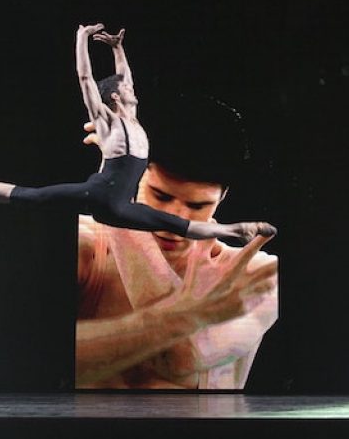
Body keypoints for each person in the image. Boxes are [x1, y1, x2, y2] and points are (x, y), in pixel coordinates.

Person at [0, 24, 276, 246]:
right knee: (30, 196)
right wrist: (82, 39)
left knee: (177, 225)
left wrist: (118, 49)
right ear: (116, 97)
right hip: (99, 195)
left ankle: (234, 231)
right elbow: (86, 80)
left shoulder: (133, 118)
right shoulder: (106, 119)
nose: (134, 89)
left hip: (119, 206)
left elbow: (126, 79)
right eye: (127, 88)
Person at [76, 100, 279, 389]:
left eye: (197, 205)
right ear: (135, 177)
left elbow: (180, 358)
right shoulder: (85, 246)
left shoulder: (258, 275)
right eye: (161, 196)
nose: (176, 220)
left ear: (222, 198)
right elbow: (39, 361)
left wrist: (113, 207)